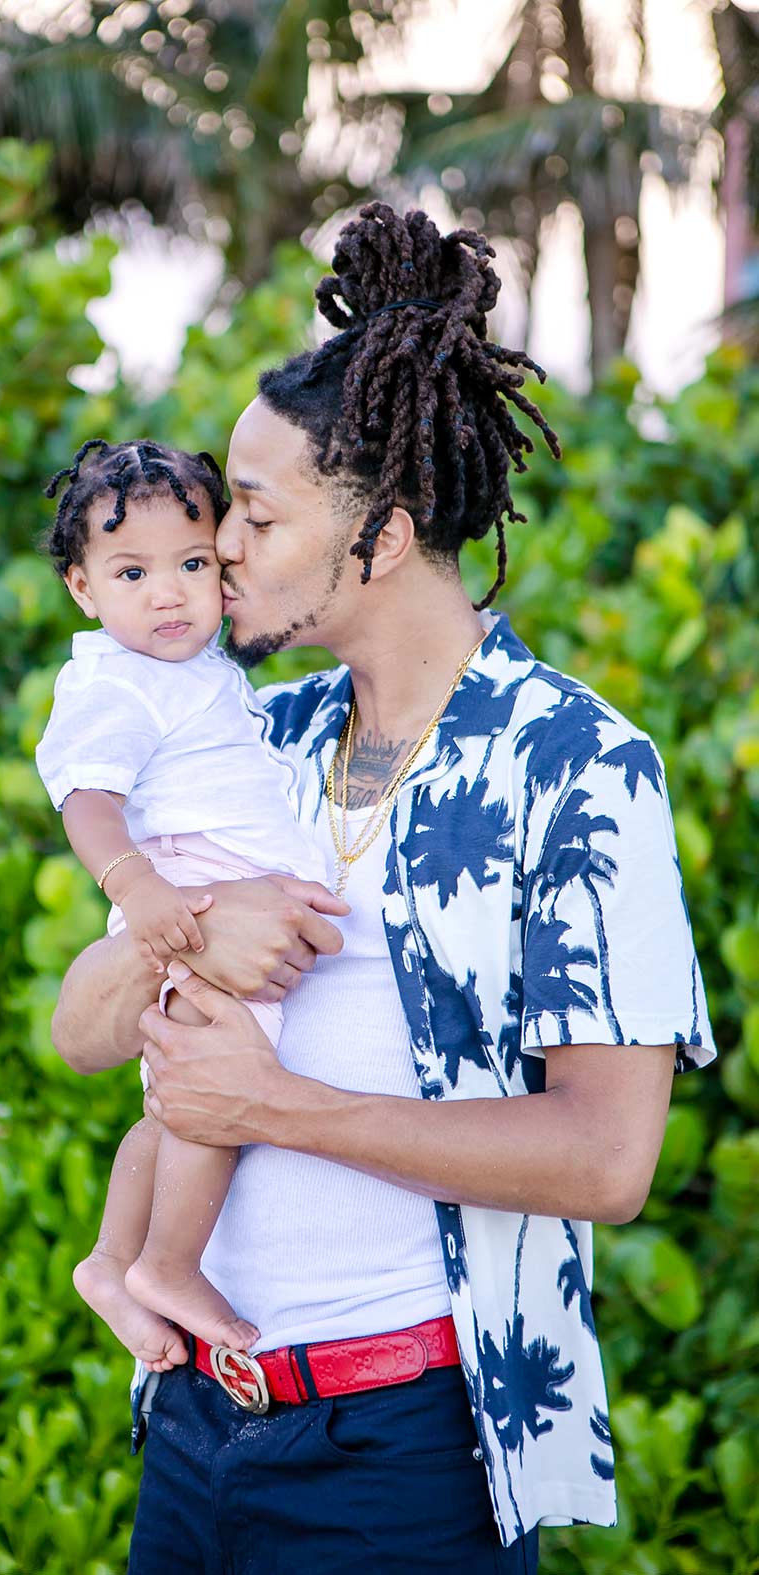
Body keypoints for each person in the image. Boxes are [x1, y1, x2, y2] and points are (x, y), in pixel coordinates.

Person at [51, 204, 717, 1574]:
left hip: (406, 1456)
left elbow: (604, 1158)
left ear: (384, 531)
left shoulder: (576, 765)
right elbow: (81, 1030)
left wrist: (271, 1106)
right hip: (189, 1429)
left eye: (255, 509)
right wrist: (174, 931)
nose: (215, 544)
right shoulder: (253, 739)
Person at [34, 437, 335, 1374]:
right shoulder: (117, 680)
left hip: (198, 887)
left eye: (193, 563)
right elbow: (85, 794)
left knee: (172, 1105)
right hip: (189, 891)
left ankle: (115, 1260)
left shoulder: (192, 674)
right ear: (84, 589)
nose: (169, 593)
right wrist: (139, 891)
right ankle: (169, 1262)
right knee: (218, 1087)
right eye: (133, 571)